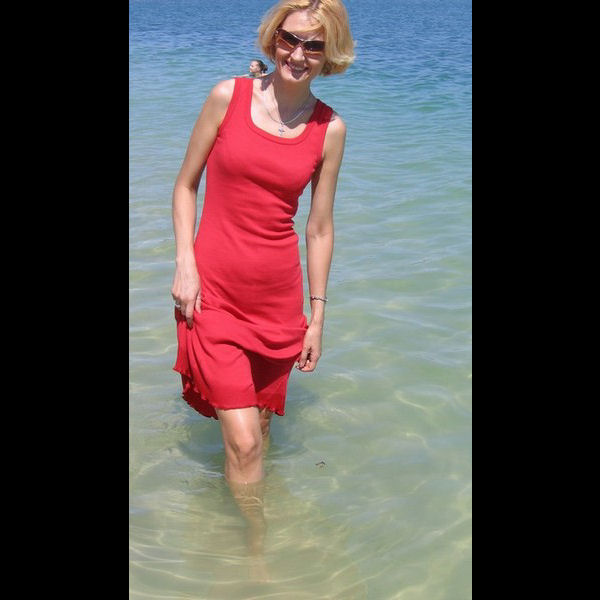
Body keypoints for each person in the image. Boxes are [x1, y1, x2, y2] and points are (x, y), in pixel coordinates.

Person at [171, 0, 354, 560]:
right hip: (215, 294)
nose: (298, 54)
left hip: (277, 302)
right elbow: (185, 185)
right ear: (273, 39)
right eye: (289, 39)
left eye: (313, 45)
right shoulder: (227, 97)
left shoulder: (330, 129)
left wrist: (317, 317)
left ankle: (240, 505)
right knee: (247, 442)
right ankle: (255, 557)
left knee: (261, 428)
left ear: (330, 54)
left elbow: (318, 228)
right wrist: (185, 262)